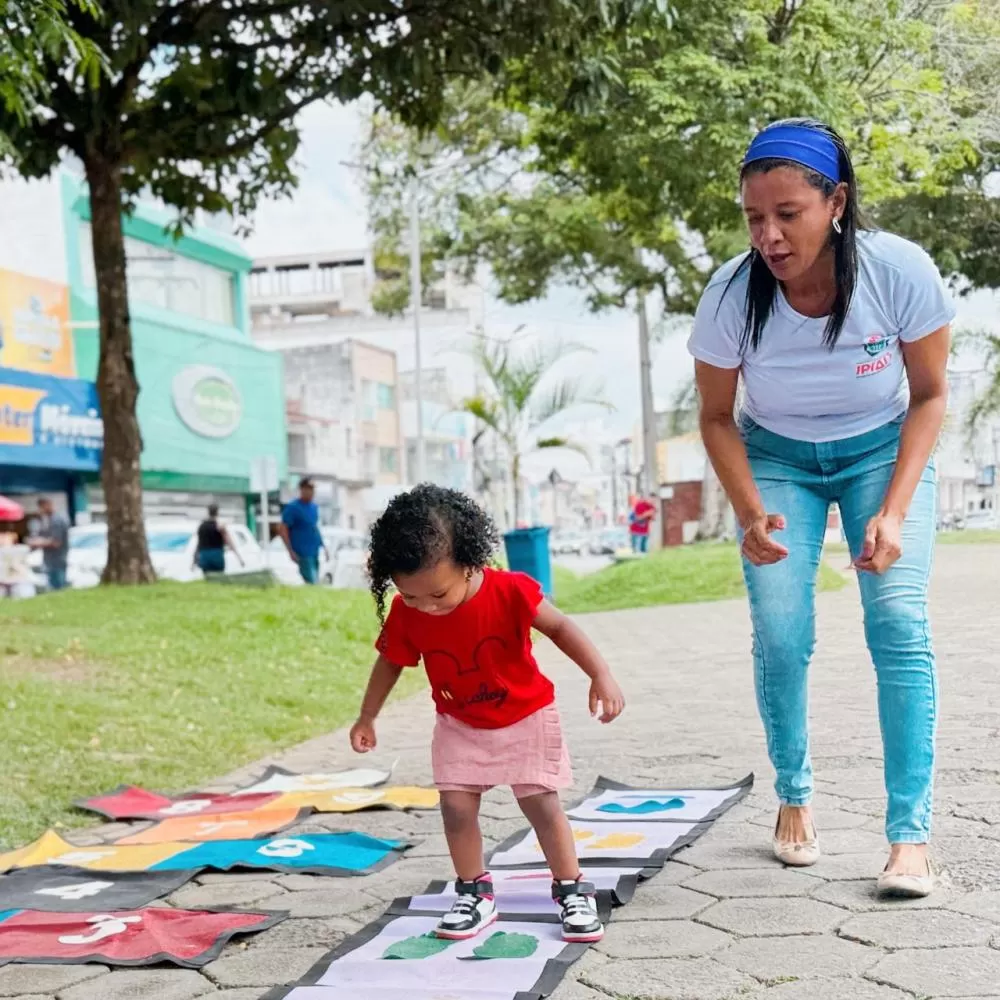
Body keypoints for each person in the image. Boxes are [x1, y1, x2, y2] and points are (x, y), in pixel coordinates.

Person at [688, 119, 954, 898]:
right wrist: (748, 511)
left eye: (787, 215)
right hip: (774, 457)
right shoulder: (732, 297)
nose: (768, 235)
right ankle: (794, 795)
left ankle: (910, 837)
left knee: (899, 622)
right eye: (752, 217)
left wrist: (895, 511)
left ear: (835, 202)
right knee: (781, 628)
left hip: (881, 450)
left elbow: (932, 396)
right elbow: (714, 415)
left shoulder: (898, 272)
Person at [350, 484, 626, 943]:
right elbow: (391, 663)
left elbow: (559, 627)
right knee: (456, 807)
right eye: (411, 596)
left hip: (526, 715)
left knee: (540, 804)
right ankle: (474, 891)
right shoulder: (408, 612)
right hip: (459, 722)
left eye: (438, 594)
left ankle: (571, 888)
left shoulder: (510, 591)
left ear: (470, 562)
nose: (427, 608)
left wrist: (602, 675)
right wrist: (367, 716)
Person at [278, 477, 326, 585]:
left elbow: (314, 527)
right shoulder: (293, 508)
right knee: (311, 580)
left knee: (316, 578)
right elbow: (283, 529)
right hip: (302, 551)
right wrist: (290, 550)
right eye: (308, 489)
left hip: (314, 550)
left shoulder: (314, 507)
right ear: (302, 489)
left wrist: (323, 546)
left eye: (313, 489)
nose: (311, 492)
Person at [28, 498, 70, 591]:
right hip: (53, 559)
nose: (40, 510)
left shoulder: (56, 521)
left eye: (41, 507)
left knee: (58, 587)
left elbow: (56, 542)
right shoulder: (50, 520)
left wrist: (38, 543)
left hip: (56, 559)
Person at [193, 504, 243, 575]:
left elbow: (198, 544)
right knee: (219, 579)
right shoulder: (220, 527)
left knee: (207, 579)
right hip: (217, 555)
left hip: (205, 556)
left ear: (208, 512)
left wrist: (194, 561)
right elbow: (229, 542)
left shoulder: (202, 527)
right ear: (217, 512)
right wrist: (239, 558)